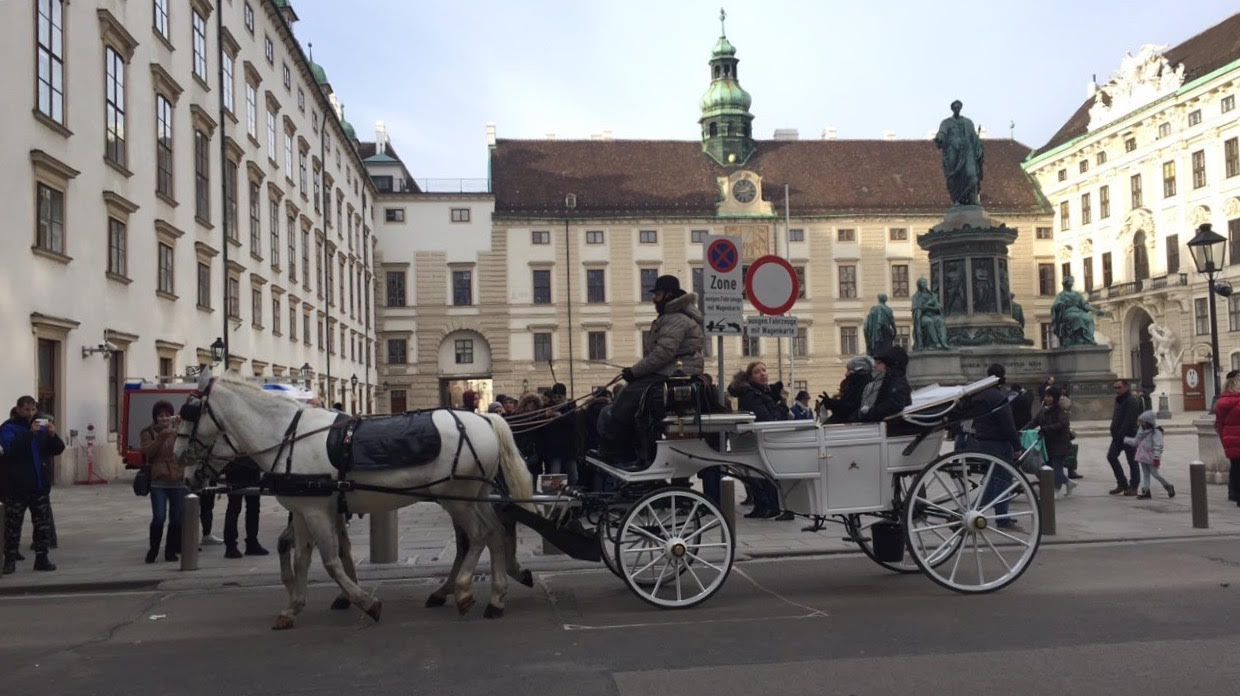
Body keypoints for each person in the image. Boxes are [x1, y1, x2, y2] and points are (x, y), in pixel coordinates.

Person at [606, 274, 704, 466]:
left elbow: (662, 354)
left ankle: (620, 452)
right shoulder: (675, 316)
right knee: (635, 398)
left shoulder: (674, 318)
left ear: (668, 295)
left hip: (674, 373)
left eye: (657, 294)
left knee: (629, 396)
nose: (653, 299)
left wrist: (634, 372)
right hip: (673, 371)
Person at [1, 396, 65, 574]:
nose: (30, 414)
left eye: (33, 410)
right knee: (13, 527)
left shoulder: (41, 427)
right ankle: (10, 560)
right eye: (27, 410)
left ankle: (42, 558)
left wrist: (53, 435)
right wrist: (30, 433)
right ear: (19, 410)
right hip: (17, 487)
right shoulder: (9, 428)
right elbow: (10, 447)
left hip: (39, 486)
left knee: (42, 526)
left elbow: (58, 449)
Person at [728, 362, 792, 520]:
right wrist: (782, 406)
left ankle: (766, 506)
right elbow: (770, 419)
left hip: (760, 439)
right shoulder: (752, 394)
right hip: (763, 439)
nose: (763, 374)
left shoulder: (758, 392)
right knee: (765, 474)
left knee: (760, 474)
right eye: (757, 372)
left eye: (764, 370)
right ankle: (771, 506)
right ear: (750, 377)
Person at [968, 364, 1023, 530]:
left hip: (983, 441)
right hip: (999, 443)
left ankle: (980, 510)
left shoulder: (980, 396)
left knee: (993, 479)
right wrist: (1017, 445)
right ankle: (1000, 517)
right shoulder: (999, 397)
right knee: (1002, 480)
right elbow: (1007, 424)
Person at [139, 401, 187, 563]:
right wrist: (161, 438)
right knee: (159, 517)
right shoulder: (148, 432)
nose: (164, 419)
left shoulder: (179, 430)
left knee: (176, 518)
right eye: (160, 416)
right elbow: (148, 453)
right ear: (155, 417)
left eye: (167, 415)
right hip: (159, 480)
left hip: (177, 478)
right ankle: (153, 550)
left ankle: (170, 551)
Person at [933, 99, 984, 206]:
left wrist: (979, 146)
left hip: (968, 152)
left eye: (958, 107)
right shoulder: (946, 123)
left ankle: (973, 199)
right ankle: (957, 200)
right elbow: (942, 133)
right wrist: (939, 138)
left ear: (960, 108)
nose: (957, 109)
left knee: (972, 175)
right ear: (952, 109)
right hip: (954, 154)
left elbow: (974, 137)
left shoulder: (968, 123)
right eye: (955, 107)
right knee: (955, 179)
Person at [1032, 386, 1076, 498]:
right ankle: (1069, 483)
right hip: (1048, 444)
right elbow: (1034, 421)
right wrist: (1023, 430)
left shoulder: (1060, 410)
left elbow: (1062, 424)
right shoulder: (1043, 410)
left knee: (1056, 468)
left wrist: (1045, 429)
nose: (1046, 398)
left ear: (1055, 397)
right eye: (1046, 396)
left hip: (1060, 444)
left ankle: (1055, 490)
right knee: (1048, 468)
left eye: (1049, 396)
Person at [222, 459, 268, 559]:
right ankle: (234, 544)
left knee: (249, 508)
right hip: (240, 467)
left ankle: (248, 542)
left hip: (241, 468)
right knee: (238, 508)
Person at [855, 346, 912, 424]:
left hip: (890, 427)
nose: (874, 366)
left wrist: (870, 414)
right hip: (881, 425)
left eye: (880, 363)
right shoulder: (891, 378)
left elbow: (894, 404)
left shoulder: (896, 380)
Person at [1126, 411, 1175, 500]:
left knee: (1155, 474)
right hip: (1143, 455)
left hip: (1151, 457)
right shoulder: (1141, 429)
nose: (1141, 423)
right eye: (1140, 421)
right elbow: (1136, 441)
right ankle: (1146, 491)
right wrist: (1125, 439)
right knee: (1145, 474)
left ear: (1148, 421)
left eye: (1142, 421)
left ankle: (1168, 486)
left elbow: (1158, 445)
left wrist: (1157, 458)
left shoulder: (1156, 432)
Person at [1107, 378, 1142, 496]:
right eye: (1115, 388)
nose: (1117, 390)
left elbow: (1129, 420)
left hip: (1129, 435)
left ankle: (1133, 486)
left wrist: (1120, 434)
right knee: (1111, 457)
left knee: (1132, 461)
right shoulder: (1119, 400)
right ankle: (1122, 483)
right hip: (1117, 436)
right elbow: (1116, 417)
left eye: (1119, 387)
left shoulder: (1131, 400)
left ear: (1126, 387)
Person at [540, 383, 578, 486]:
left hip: (569, 449)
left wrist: (560, 416)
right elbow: (540, 423)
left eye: (560, 397)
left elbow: (574, 422)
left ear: (564, 396)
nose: (557, 399)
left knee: (573, 476)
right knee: (554, 478)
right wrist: (545, 416)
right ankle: (554, 498)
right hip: (554, 449)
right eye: (555, 397)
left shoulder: (570, 408)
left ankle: (572, 495)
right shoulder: (547, 408)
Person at [1212, 373, 1240, 507]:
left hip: (1228, 438)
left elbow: (1220, 423)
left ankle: (1233, 492)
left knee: (1235, 466)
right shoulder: (1238, 402)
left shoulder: (1221, 402)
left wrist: (1224, 438)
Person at [820, 356, 873, 424]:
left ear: (858, 370)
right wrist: (832, 402)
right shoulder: (856, 382)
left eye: (849, 370)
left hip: (851, 424)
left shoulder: (860, 383)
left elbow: (850, 407)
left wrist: (832, 403)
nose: (846, 374)